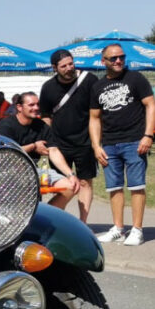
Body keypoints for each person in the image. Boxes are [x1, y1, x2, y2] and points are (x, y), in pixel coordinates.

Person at [90, 43, 155, 246]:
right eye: (114, 58)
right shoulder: (97, 87)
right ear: (103, 61)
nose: (119, 61)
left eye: (122, 57)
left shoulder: (135, 78)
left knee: (137, 186)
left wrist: (148, 135)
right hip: (109, 144)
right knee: (114, 188)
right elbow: (94, 118)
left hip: (135, 140)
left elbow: (151, 105)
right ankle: (118, 228)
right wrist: (96, 145)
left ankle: (137, 230)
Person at [39, 49, 99, 223]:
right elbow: (45, 115)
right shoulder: (48, 87)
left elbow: (97, 113)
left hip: (85, 142)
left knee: (85, 183)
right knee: (62, 185)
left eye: (71, 63)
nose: (69, 68)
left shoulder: (89, 80)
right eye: (64, 66)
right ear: (54, 68)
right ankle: (58, 223)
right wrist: (48, 140)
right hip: (59, 144)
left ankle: (83, 223)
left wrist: (96, 141)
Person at [0, 92, 79, 210]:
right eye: (31, 105)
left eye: (37, 104)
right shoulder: (6, 125)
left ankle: (47, 217)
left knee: (70, 186)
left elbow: (53, 150)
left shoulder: (41, 125)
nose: (36, 108)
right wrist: (33, 146)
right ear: (19, 107)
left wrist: (70, 174)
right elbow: (5, 152)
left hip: (33, 170)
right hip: (8, 172)